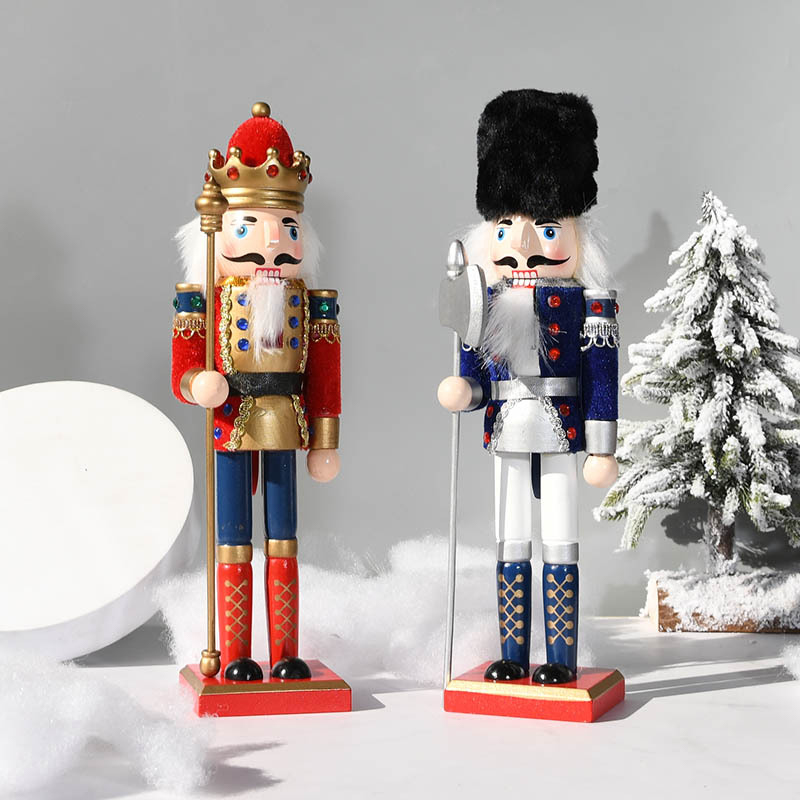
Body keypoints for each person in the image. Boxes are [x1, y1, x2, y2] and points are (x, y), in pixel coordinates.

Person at [438, 89, 619, 684]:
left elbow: (600, 376)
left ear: (575, 234)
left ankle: (561, 661)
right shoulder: (484, 299)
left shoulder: (588, 304)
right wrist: (466, 391)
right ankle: (513, 654)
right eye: (506, 226)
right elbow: (475, 368)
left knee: (560, 537)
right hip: (507, 429)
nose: (521, 245)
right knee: (510, 536)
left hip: (563, 430)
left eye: (544, 228)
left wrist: (602, 447)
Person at [172, 103, 341, 681]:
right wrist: (198, 382)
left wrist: (325, 441)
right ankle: (238, 654)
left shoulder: (314, 304)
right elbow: (184, 368)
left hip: (287, 420)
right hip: (231, 418)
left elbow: (324, 377)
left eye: (287, 228)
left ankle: (286, 652)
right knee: (234, 540)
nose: (271, 244)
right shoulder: (203, 299)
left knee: (285, 538)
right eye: (248, 229)